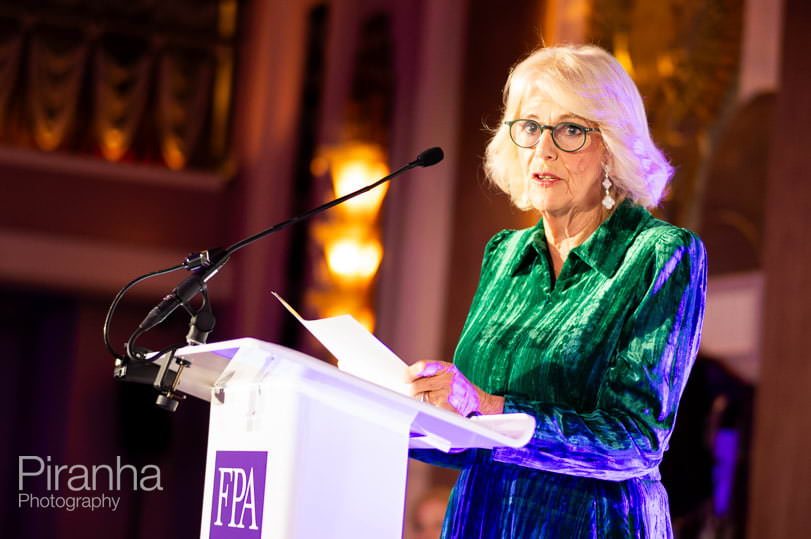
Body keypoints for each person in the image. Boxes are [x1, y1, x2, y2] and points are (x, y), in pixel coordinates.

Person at [406, 44, 707, 538]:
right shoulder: (505, 253)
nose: (543, 150)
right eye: (529, 127)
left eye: (570, 130)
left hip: (592, 523)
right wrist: (409, 410)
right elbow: (474, 432)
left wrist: (490, 406)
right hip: (482, 517)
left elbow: (634, 441)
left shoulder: (658, 254)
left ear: (611, 146)